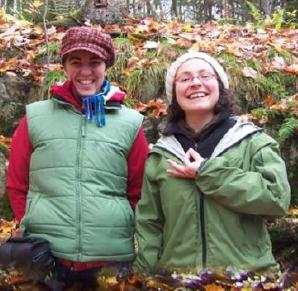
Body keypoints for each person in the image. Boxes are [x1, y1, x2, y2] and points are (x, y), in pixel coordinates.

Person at [6, 26, 148, 289]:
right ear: (65, 66)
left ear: (107, 65)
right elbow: (17, 183)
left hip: (111, 260)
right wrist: (32, 219)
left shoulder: (131, 123)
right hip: (47, 257)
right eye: (76, 62)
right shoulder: (36, 118)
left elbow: (139, 191)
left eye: (94, 62)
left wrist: (117, 223)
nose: (85, 71)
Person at [134, 51, 291, 274]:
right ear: (174, 93)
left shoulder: (253, 142)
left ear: (220, 86)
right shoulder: (161, 156)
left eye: (205, 76)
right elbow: (150, 225)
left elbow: (276, 199)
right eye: (185, 79)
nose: (196, 83)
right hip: (179, 282)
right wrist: (144, 278)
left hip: (248, 280)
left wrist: (207, 172)